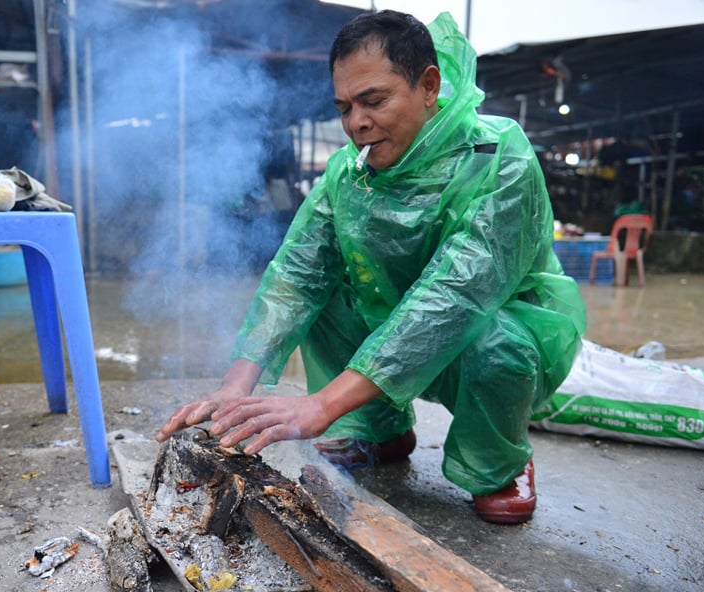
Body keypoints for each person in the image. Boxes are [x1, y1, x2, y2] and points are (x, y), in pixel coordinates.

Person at [156, 10, 586, 524]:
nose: (356, 123)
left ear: (428, 86)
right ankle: (378, 428)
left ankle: (497, 462)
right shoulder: (347, 172)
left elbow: (454, 299)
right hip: (390, 331)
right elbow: (296, 275)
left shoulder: (498, 157)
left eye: (374, 101)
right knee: (325, 292)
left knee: (494, 342)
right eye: (344, 107)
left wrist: (321, 405)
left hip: (486, 336)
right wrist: (235, 386)